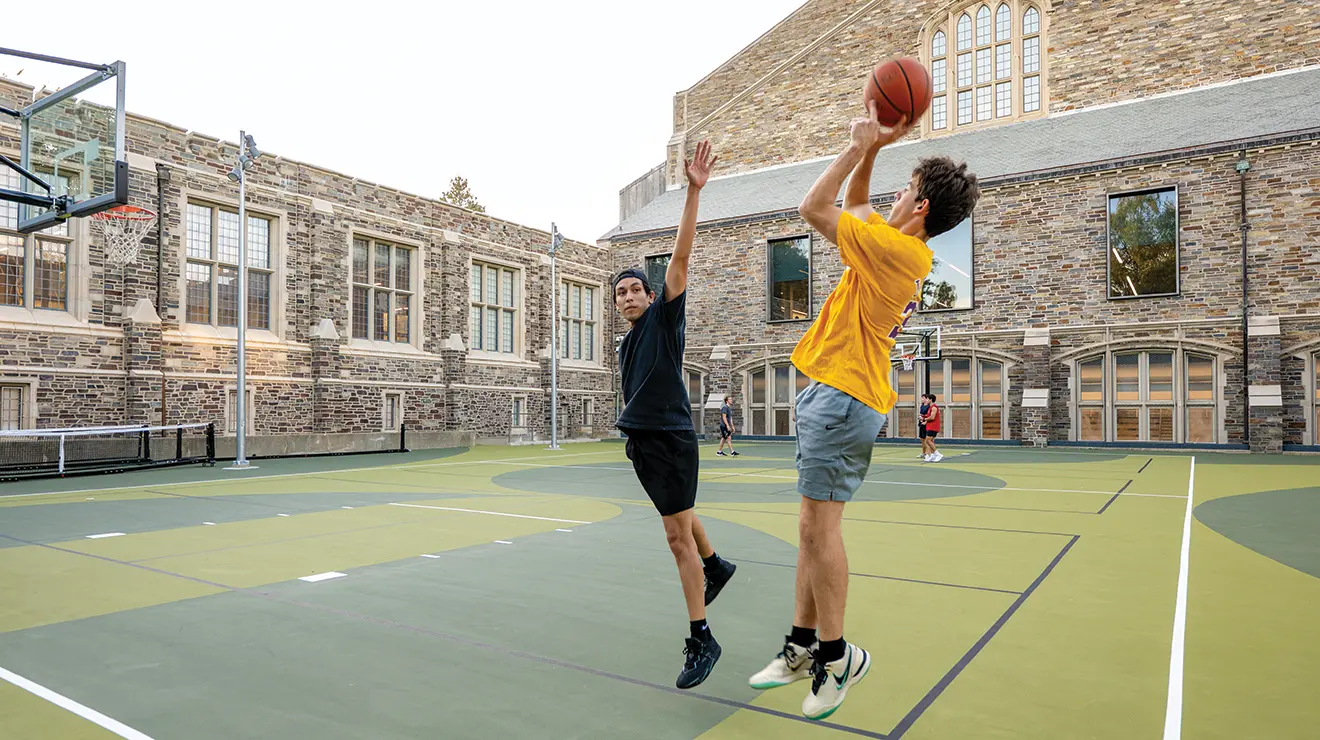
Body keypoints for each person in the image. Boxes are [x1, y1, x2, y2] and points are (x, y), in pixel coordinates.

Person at [748, 102, 980, 720]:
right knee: (809, 528)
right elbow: (855, 209)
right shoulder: (888, 245)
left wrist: (855, 148)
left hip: (845, 397)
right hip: (834, 392)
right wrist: (875, 149)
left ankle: (836, 656)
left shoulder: (901, 254)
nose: (895, 197)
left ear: (922, 205)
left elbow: (815, 209)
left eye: (905, 189)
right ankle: (800, 644)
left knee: (820, 531)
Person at [614, 140, 738, 690]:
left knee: (674, 536)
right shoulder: (625, 345)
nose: (629, 296)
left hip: (670, 438)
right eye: (620, 293)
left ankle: (701, 637)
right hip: (642, 443)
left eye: (636, 288)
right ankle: (715, 566)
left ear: (650, 293)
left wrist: (693, 189)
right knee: (681, 516)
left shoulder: (664, 320)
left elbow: (682, 255)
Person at [922, 393, 943, 462]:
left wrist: (925, 419)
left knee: (928, 440)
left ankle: (938, 454)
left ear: (931, 400)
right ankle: (933, 455)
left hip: (933, 427)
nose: (926, 400)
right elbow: (928, 417)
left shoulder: (934, 407)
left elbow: (932, 417)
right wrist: (924, 419)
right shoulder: (930, 408)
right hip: (930, 426)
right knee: (930, 441)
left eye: (927, 399)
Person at [917, 393, 931, 459]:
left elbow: (929, 415)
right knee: (922, 439)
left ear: (926, 399)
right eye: (921, 398)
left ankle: (928, 454)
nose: (922, 399)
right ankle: (923, 453)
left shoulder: (929, 406)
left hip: (927, 424)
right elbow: (921, 413)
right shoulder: (922, 406)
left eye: (923, 398)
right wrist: (920, 417)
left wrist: (926, 421)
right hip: (921, 423)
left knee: (927, 440)